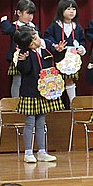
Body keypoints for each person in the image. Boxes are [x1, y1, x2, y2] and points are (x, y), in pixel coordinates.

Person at [14, 26, 66, 163]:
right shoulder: (24, 53)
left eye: (35, 38)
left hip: (45, 91)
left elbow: (56, 59)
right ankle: (28, 152)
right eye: (31, 43)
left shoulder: (46, 45)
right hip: (30, 92)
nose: (35, 42)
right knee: (29, 122)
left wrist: (60, 51)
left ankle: (42, 151)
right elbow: (24, 70)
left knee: (41, 122)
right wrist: (23, 60)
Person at [44, 0, 86, 105]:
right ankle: (56, 104)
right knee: (56, 80)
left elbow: (82, 40)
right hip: (59, 58)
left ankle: (73, 103)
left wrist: (81, 48)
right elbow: (48, 38)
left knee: (69, 80)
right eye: (68, 9)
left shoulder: (77, 27)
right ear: (61, 10)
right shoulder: (55, 26)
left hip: (71, 60)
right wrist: (56, 46)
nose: (71, 11)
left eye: (74, 9)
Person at [0, 0, 38, 98]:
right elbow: (6, 30)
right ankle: (15, 101)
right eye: (28, 13)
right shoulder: (15, 27)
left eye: (32, 14)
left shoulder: (33, 27)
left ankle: (29, 100)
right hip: (18, 57)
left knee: (32, 79)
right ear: (19, 13)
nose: (30, 17)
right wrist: (4, 21)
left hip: (31, 57)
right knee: (17, 81)